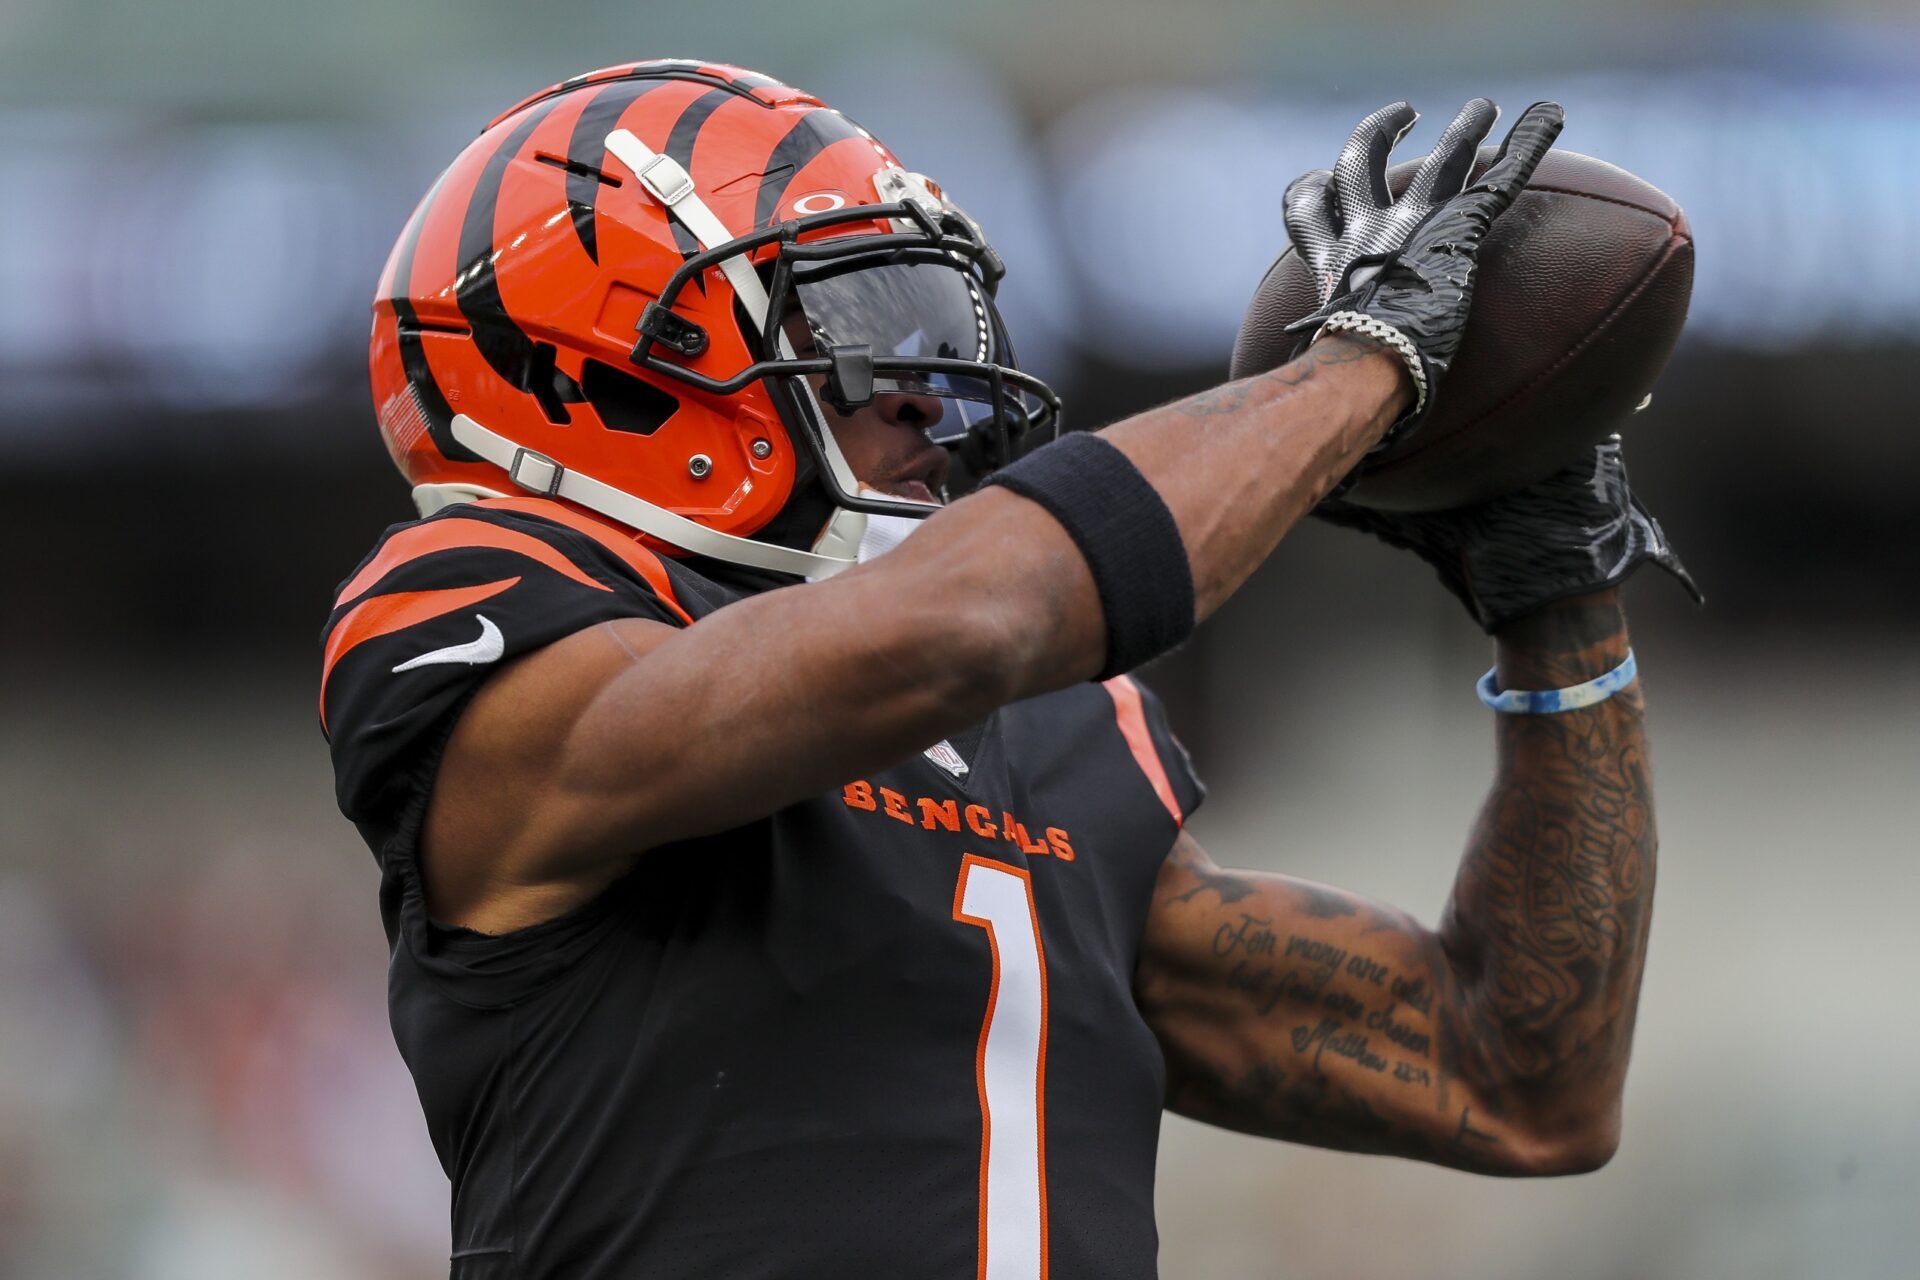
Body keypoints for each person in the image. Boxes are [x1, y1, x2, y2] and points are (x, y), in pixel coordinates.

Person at [321, 60, 1693, 1279]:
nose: (920, 389)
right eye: (846, 324)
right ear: (618, 367)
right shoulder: (479, 613)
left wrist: (1560, 598)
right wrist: (1365, 366)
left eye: (927, 322)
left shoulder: (1037, 732)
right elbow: (966, 622)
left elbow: (1513, 1075)